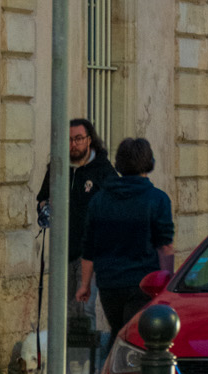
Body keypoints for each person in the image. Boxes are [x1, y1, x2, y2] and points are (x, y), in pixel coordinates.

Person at [76, 137, 174, 353]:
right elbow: (165, 246)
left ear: (119, 164)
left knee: (119, 332)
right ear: (149, 162)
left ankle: (109, 369)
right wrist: (167, 280)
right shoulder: (158, 200)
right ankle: (115, 371)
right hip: (144, 283)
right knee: (133, 339)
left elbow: (89, 247)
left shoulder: (99, 200)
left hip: (109, 284)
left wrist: (85, 284)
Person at [37, 117, 116, 303]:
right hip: (61, 250)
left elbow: (117, 205)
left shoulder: (102, 169)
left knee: (84, 308)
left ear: (89, 140)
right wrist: (45, 206)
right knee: (62, 307)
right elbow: (42, 199)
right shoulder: (57, 168)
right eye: (70, 140)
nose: (73, 144)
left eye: (79, 139)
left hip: (90, 253)